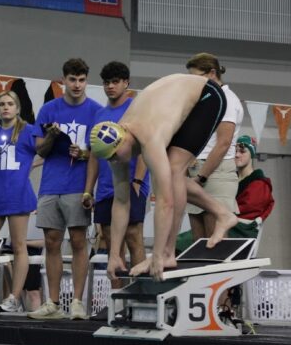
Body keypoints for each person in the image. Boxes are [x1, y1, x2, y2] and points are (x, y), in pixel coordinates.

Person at [90, 73, 238, 281]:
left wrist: (157, 255)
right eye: (109, 158)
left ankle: (168, 252)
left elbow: (165, 203)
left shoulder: (149, 139)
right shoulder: (116, 147)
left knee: (174, 169)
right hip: (174, 100)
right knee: (170, 174)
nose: (114, 161)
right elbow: (121, 201)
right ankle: (222, 214)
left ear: (123, 139)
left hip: (206, 96)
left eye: (114, 156)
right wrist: (114, 255)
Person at [28, 58, 102, 320]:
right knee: (51, 242)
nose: (77, 85)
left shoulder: (96, 110)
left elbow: (101, 153)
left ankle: (78, 303)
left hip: (78, 185)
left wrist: (84, 154)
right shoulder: (49, 109)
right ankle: (53, 303)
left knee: (79, 241)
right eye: (72, 79)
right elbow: (40, 150)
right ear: (63, 81)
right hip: (51, 184)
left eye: (81, 80)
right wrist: (51, 136)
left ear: (86, 81)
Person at [83, 61, 149, 290]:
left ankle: (141, 296)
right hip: (106, 186)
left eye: (115, 82)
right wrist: (88, 190)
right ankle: (117, 301)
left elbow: (145, 146)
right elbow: (94, 155)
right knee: (111, 242)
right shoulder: (99, 114)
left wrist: (138, 180)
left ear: (126, 83)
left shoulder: (136, 109)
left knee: (133, 236)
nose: (110, 86)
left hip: (131, 183)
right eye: (106, 82)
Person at [0, 91, 38, 312]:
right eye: (2, 104)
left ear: (17, 108)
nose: (6, 107)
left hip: (18, 194)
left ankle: (13, 298)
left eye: (10, 103)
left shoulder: (28, 131)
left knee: (18, 245)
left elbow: (45, 151)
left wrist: (31, 166)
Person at [185, 53, 244, 239]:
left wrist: (201, 177)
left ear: (212, 73)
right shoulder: (207, 99)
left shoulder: (227, 100)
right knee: (199, 243)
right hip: (198, 170)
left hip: (216, 173)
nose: (193, 83)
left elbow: (223, 143)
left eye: (196, 78)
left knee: (215, 242)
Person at [234, 135, 274, 222]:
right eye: (235, 151)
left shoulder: (260, 184)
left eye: (242, 151)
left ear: (251, 154)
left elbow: (249, 209)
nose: (237, 155)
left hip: (243, 227)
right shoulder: (229, 178)